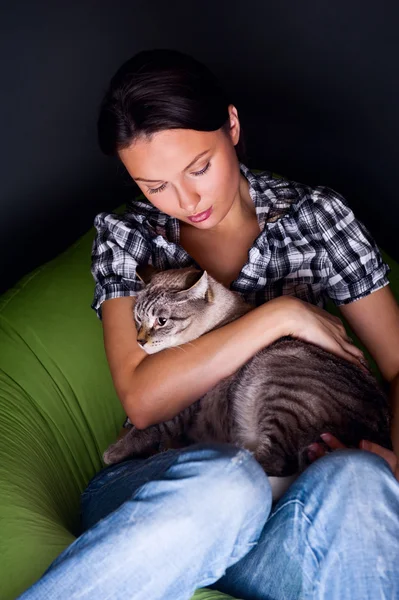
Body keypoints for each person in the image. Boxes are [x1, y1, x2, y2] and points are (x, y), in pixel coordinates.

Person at [18, 49, 399, 600]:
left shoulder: (316, 219)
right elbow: (143, 398)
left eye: (199, 168)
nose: (187, 200)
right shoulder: (130, 238)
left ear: (233, 126)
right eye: (155, 186)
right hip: (165, 499)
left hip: (290, 516)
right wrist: (279, 315)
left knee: (364, 482)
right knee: (229, 481)